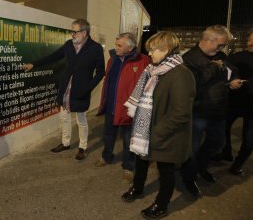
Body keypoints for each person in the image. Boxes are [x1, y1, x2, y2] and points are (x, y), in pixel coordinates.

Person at [120, 31, 195, 219]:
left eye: (153, 50)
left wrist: (156, 133)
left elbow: (180, 113)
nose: (150, 54)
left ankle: (161, 204)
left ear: (166, 49)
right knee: (141, 160)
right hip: (148, 129)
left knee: (165, 170)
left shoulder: (181, 75)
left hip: (167, 134)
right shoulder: (152, 70)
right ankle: (137, 188)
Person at [22, 19, 104, 161]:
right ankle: (65, 143)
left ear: (84, 32)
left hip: (81, 90)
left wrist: (88, 88)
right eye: (71, 31)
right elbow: (53, 56)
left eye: (75, 31)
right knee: (64, 117)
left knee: (81, 120)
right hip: (66, 88)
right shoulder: (68, 45)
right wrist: (34, 64)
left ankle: (82, 148)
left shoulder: (95, 48)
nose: (72, 34)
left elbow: (101, 72)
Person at [180, 25, 243, 197]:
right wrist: (213, 67)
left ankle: (201, 166)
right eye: (221, 45)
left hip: (218, 110)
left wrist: (234, 78)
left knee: (217, 143)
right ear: (209, 40)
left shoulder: (220, 55)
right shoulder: (189, 58)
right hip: (198, 111)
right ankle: (188, 177)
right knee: (191, 150)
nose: (222, 49)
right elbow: (193, 84)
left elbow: (231, 69)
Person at [96, 33, 150, 179]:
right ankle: (106, 156)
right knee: (108, 135)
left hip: (129, 109)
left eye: (119, 45)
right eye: (116, 44)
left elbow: (148, 86)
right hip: (111, 106)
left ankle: (128, 166)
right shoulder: (112, 59)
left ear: (130, 47)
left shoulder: (144, 61)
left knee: (128, 140)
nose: (116, 47)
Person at [218, 30, 253, 175]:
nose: (249, 39)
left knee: (249, 139)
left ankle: (237, 165)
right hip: (234, 100)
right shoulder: (238, 56)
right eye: (250, 36)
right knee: (222, 127)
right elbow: (225, 72)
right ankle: (226, 152)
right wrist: (229, 81)